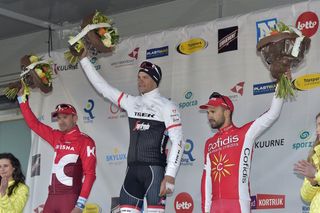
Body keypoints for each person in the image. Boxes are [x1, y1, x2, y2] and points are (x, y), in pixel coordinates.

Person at [79, 50, 184, 213]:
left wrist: (170, 175)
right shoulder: (131, 102)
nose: (140, 81)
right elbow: (103, 88)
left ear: (155, 81)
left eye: (145, 77)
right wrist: (84, 60)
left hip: (154, 172)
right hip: (132, 172)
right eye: (139, 77)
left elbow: (178, 142)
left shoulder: (167, 106)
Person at [200, 89, 284, 213]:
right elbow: (206, 180)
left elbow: (273, 113)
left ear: (227, 112)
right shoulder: (210, 143)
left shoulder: (244, 134)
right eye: (208, 112)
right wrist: (206, 210)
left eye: (213, 111)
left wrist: (280, 85)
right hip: (215, 206)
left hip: (238, 204)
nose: (209, 116)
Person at [17, 87, 97, 213]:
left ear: (75, 118)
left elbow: (90, 175)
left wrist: (80, 205)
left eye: (65, 117)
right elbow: (34, 124)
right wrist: (22, 99)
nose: (61, 121)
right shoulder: (56, 136)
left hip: (70, 198)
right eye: (59, 118)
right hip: (52, 198)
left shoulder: (85, 141)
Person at [294, 113, 320, 213]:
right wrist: (313, 183)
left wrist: (316, 175)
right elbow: (305, 197)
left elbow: (316, 175)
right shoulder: (314, 155)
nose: (317, 130)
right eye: (317, 125)